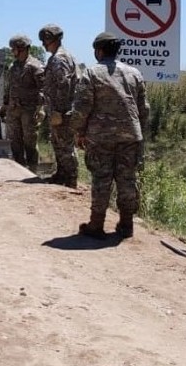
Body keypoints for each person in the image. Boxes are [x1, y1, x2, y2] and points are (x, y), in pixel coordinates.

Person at [69, 32, 149, 239]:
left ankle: (96, 225)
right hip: (130, 136)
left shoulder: (92, 73)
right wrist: (139, 133)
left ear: (99, 50)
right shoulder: (134, 73)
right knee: (127, 180)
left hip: (101, 137)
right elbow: (144, 109)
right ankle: (126, 225)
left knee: (102, 179)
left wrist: (78, 132)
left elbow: (81, 108)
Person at [39, 24, 81, 188]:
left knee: (65, 146)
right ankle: (62, 175)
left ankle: (70, 179)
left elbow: (64, 85)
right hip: (58, 109)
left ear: (52, 40)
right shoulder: (58, 57)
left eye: (45, 40)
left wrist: (59, 111)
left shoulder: (60, 58)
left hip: (62, 111)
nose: (43, 44)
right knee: (58, 143)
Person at [0, 34, 44, 171]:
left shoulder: (35, 66)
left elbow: (43, 89)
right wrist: (4, 105)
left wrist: (41, 108)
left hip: (29, 111)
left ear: (21, 49)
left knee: (30, 141)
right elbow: (9, 87)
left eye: (14, 49)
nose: (12, 52)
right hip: (14, 109)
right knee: (15, 141)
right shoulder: (14, 66)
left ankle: (32, 170)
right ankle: (19, 169)